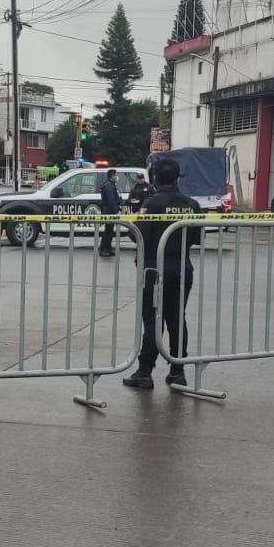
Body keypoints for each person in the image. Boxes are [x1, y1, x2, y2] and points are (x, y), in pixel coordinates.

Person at [123, 157, 200, 389]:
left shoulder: (153, 204)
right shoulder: (191, 204)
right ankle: (178, 370)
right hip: (182, 269)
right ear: (177, 177)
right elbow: (197, 238)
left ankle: (145, 371)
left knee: (152, 321)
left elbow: (136, 234)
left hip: (154, 271)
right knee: (177, 320)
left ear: (154, 177)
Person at [97, 168, 121, 257]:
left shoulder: (109, 185)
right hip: (110, 212)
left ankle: (108, 248)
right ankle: (103, 249)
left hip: (108, 211)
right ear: (112, 176)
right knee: (108, 231)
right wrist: (116, 211)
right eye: (116, 175)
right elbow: (111, 201)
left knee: (109, 231)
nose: (117, 177)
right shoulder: (109, 186)